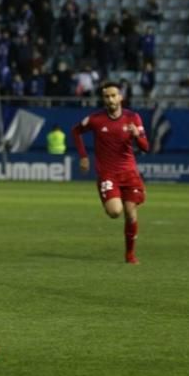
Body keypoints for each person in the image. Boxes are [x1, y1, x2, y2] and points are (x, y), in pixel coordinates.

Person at [71, 82, 149, 265]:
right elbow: (76, 131)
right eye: (106, 96)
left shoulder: (133, 117)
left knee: (130, 214)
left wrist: (137, 135)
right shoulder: (96, 119)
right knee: (115, 212)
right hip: (108, 175)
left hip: (129, 174)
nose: (110, 99)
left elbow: (146, 147)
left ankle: (130, 255)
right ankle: (114, 196)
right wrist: (83, 156)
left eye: (114, 95)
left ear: (121, 97)